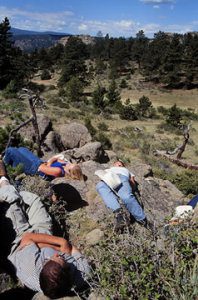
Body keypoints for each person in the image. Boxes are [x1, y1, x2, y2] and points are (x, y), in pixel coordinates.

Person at [0, 162, 90, 298]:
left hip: (19, 240)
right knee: (34, 199)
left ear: (41, 267)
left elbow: (27, 238)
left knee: (11, 200)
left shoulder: (30, 270)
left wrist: (61, 243)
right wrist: (64, 244)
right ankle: (17, 192)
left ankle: (3, 178)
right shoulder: (81, 274)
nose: (56, 255)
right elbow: (71, 249)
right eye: (60, 258)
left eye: (49, 259)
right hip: (42, 234)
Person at [96, 160, 149, 230]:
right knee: (100, 186)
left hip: (122, 177)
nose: (118, 163)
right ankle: (120, 215)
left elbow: (133, 182)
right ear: (113, 165)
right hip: (108, 178)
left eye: (120, 163)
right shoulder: (110, 169)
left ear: (123, 165)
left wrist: (130, 186)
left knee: (126, 197)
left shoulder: (126, 170)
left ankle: (143, 220)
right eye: (116, 163)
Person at [3, 147, 83, 181]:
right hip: (38, 163)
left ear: (69, 172)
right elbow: (56, 159)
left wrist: (50, 162)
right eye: (70, 163)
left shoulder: (58, 171)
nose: (68, 164)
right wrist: (51, 161)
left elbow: (43, 168)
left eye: (69, 166)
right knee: (21, 149)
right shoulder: (64, 166)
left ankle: (3, 167)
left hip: (33, 168)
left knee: (10, 151)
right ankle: (12, 169)